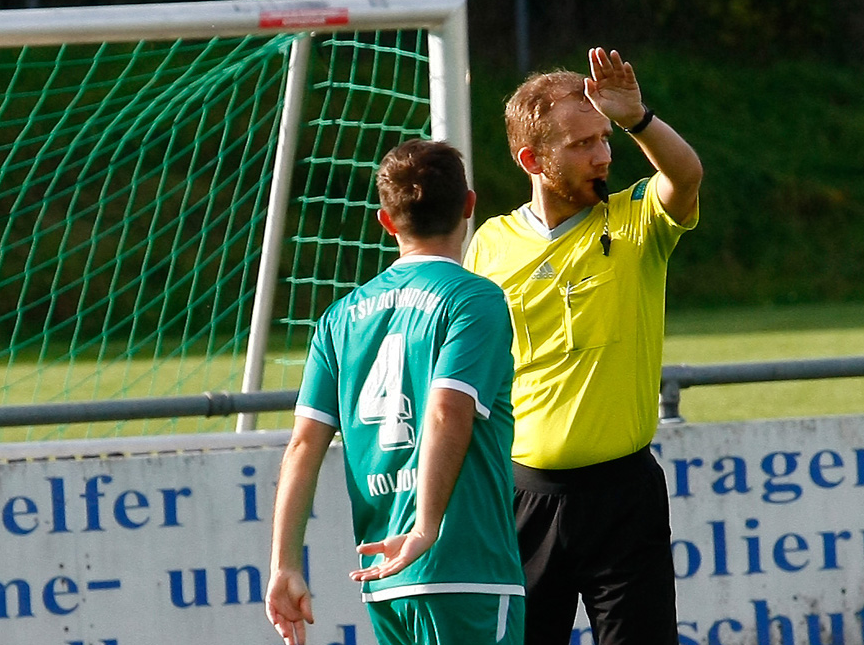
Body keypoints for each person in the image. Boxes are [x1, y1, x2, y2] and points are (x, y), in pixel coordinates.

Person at [463, 47, 703, 645]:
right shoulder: (491, 245)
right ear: (532, 159)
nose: (602, 155)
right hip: (522, 498)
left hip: (625, 498)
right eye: (581, 144)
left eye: (604, 138)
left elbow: (686, 176)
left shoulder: (635, 221)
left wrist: (638, 119)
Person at [266, 139, 525, 645]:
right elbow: (448, 410)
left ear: (386, 221)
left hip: (386, 578)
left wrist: (283, 565)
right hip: (463, 563)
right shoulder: (475, 299)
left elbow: (302, 445)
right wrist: (427, 528)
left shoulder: (339, 317)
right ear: (470, 206)